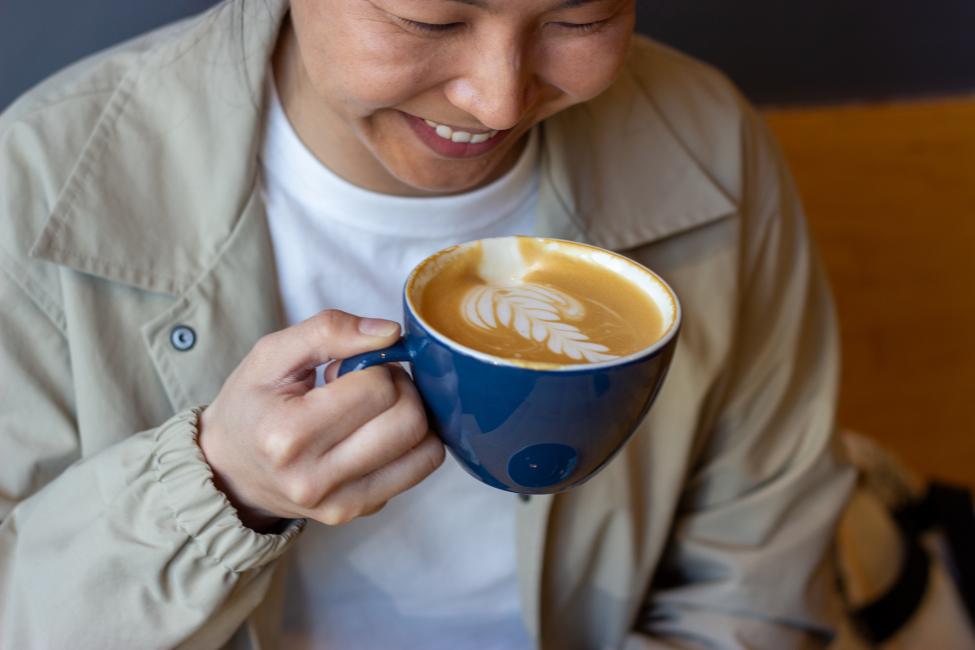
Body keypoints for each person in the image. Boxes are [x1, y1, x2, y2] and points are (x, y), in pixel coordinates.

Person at [0, 0, 871, 647]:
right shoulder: (40, 185)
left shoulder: (708, 144)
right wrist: (218, 488)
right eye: (427, 20)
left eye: (580, 18)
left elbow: (755, 583)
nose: (495, 100)